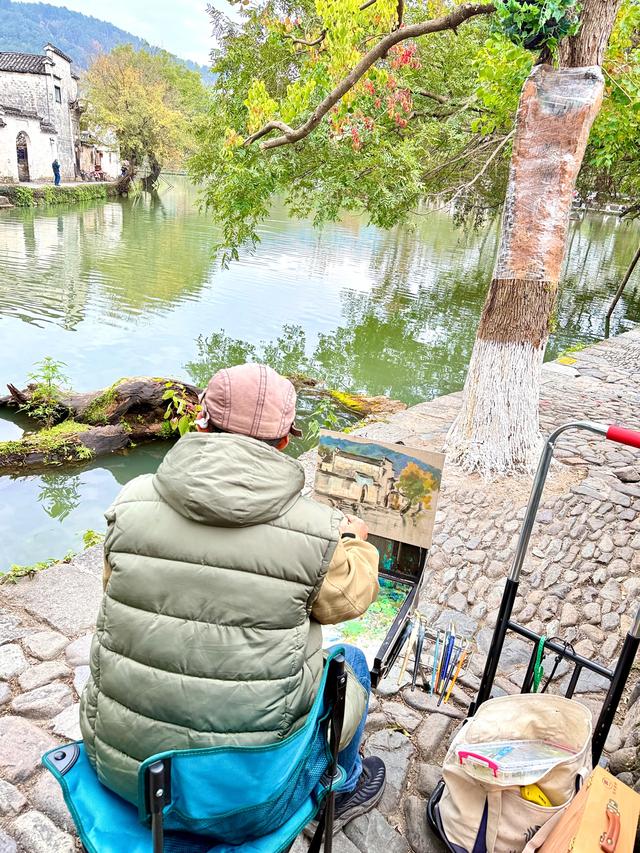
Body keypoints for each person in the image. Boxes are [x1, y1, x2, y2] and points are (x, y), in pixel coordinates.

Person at [79, 363, 386, 836]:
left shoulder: (131, 501)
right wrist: (359, 543)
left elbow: (113, 588)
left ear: (201, 421)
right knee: (352, 664)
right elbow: (352, 599)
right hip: (246, 799)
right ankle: (342, 785)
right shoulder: (318, 532)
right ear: (285, 442)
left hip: (123, 773)